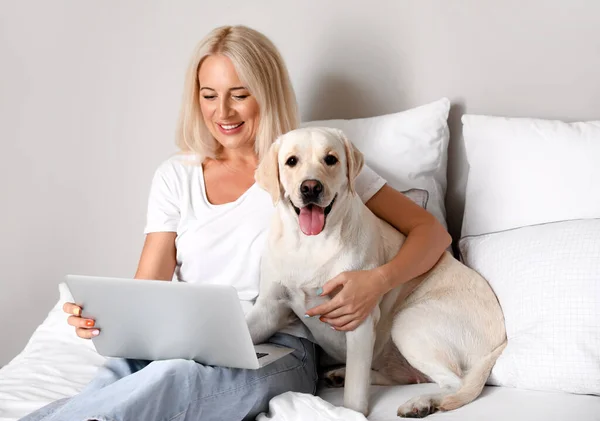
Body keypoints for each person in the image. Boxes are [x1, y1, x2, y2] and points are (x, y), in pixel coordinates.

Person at [21, 25, 452, 421]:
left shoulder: (314, 165)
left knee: (173, 380)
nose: (222, 111)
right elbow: (147, 286)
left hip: (279, 345)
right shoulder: (176, 176)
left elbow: (431, 233)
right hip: (186, 337)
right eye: (209, 95)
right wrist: (107, 319)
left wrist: (377, 281)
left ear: (267, 92)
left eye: (239, 93)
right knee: (117, 373)